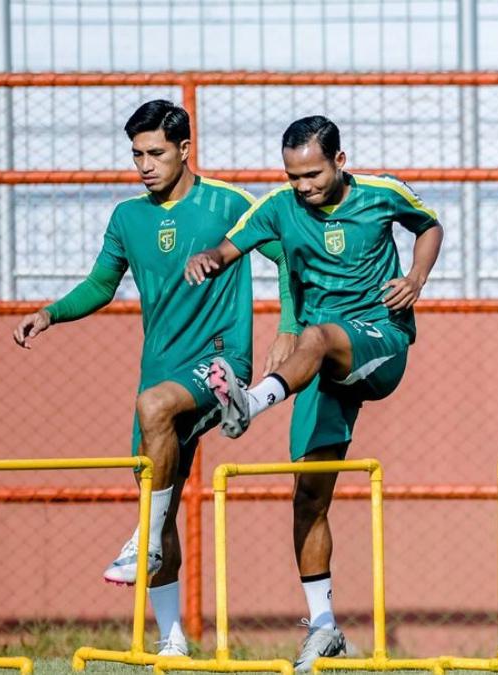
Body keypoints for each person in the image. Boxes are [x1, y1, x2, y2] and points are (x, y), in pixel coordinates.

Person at [11, 100, 297, 658]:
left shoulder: (229, 203)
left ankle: (146, 530)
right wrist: (49, 313)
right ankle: (172, 641)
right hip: (160, 369)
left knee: (155, 418)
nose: (144, 164)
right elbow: (100, 284)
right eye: (137, 154)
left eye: (156, 153)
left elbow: (286, 256)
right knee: (156, 490)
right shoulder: (127, 217)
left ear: (185, 149)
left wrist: (287, 326)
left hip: (219, 361)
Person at [183, 115, 444, 673]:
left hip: (381, 340)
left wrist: (417, 276)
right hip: (319, 368)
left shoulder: (381, 193)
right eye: (293, 175)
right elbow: (229, 248)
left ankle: (249, 404)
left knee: (319, 335)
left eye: (313, 173)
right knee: (308, 499)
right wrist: (207, 259)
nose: (303, 185)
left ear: (340, 161)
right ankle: (323, 628)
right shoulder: (279, 206)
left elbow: (429, 225)